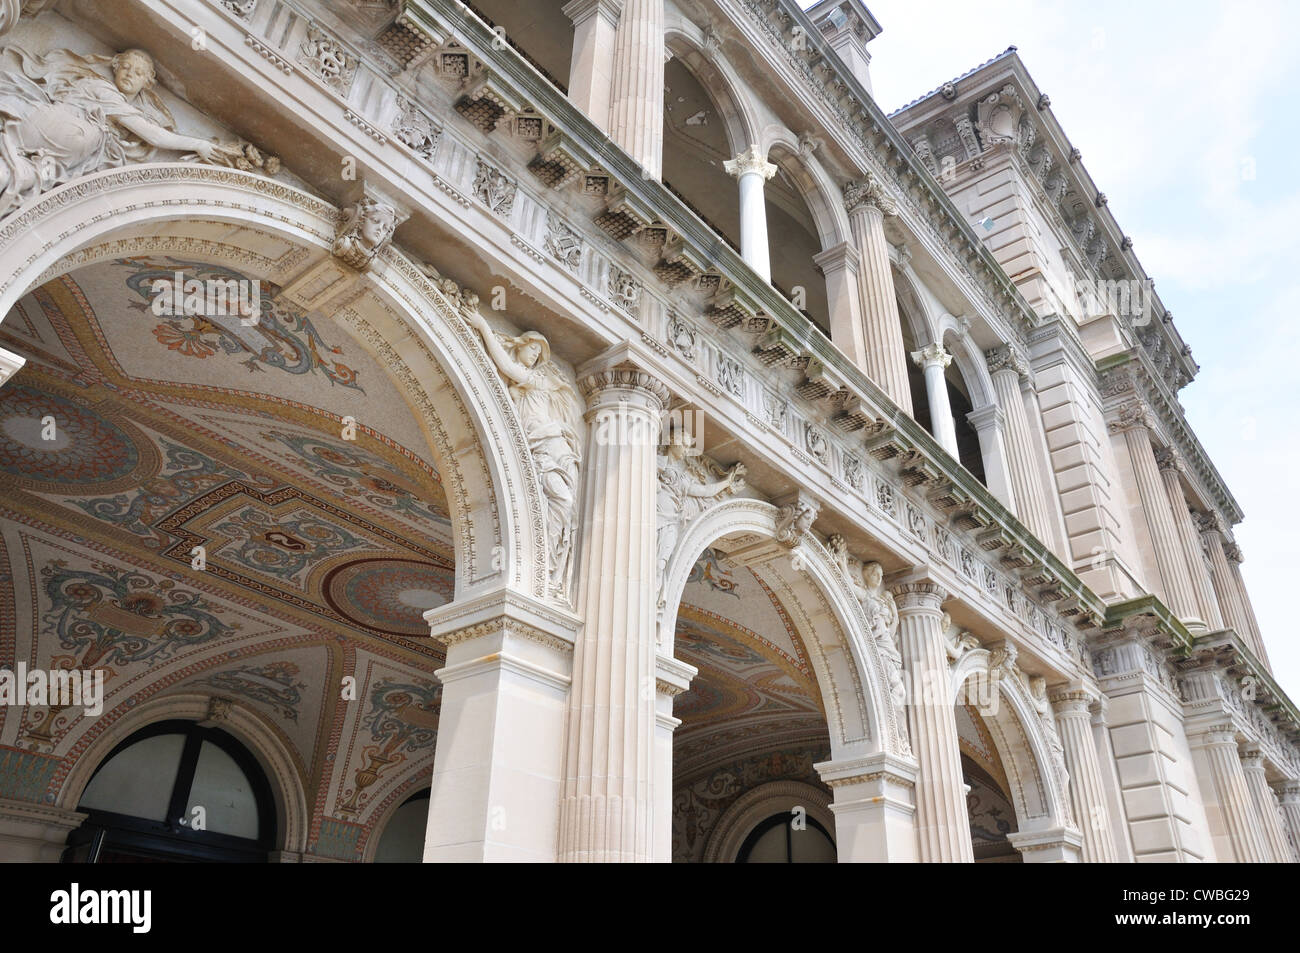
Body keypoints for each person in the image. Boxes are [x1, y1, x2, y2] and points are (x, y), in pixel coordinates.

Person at [0, 46, 242, 213]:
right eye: (126, 67)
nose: (129, 74)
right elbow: (154, 135)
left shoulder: (121, 107)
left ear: (148, 82)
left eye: (138, 73)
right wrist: (198, 144)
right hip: (49, 128)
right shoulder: (103, 90)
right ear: (115, 67)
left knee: (16, 175)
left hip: (57, 149)